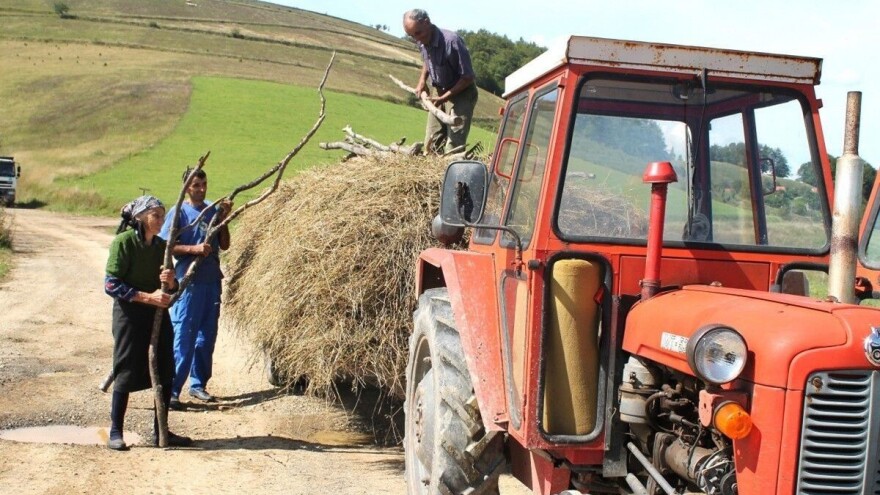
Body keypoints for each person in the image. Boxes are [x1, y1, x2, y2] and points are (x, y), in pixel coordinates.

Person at [104, 195, 193, 450]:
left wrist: (171, 280)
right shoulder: (124, 243)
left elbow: (172, 289)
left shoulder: (162, 248)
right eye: (156, 216)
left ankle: (161, 431)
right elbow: (111, 284)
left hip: (156, 315)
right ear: (141, 217)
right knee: (126, 367)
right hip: (129, 315)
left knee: (166, 368)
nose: (160, 221)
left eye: (163, 216)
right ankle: (115, 432)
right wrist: (146, 296)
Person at [160, 169, 231, 409]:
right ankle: (172, 390)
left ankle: (198, 385)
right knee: (184, 336)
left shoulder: (212, 209)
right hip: (187, 283)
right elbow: (167, 246)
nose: (201, 189)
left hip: (212, 281)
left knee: (206, 337)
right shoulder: (178, 212)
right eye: (196, 185)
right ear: (186, 187)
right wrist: (194, 250)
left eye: (204, 184)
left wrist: (224, 219)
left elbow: (225, 244)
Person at [403, 9, 478, 154]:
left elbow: (468, 77)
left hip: (461, 94)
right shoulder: (422, 41)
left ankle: (452, 174)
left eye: (417, 33)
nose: (416, 39)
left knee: (453, 146)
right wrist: (422, 81)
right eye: (411, 36)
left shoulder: (452, 41)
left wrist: (444, 98)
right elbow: (427, 60)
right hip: (438, 93)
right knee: (431, 144)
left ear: (427, 22)